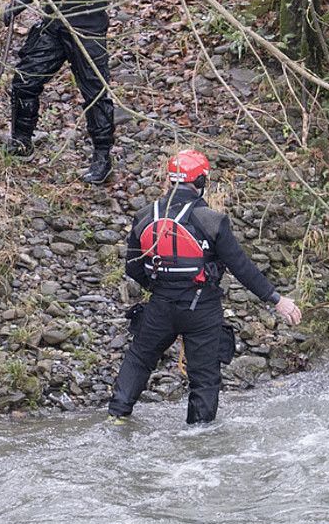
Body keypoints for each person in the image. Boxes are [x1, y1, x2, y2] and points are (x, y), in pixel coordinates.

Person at [109, 149, 303, 425]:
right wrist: (276, 300)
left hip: (160, 307)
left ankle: (117, 415)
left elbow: (133, 267)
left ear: (171, 180)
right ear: (200, 182)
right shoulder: (212, 221)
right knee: (204, 378)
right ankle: (198, 435)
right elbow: (241, 267)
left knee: (139, 358)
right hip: (202, 309)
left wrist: (161, 287)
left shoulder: (143, 216)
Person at [2, 0, 116, 184]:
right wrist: (17, 4)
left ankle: (102, 156)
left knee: (94, 92)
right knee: (25, 78)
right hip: (53, 23)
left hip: (86, 28)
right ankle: (21, 140)